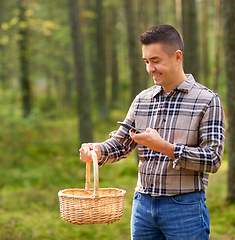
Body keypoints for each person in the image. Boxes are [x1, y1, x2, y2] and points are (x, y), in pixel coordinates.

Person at [79, 24, 225, 240]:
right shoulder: (142, 100)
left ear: (177, 57)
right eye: (146, 62)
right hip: (142, 207)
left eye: (156, 61)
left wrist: (166, 148)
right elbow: (120, 144)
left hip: (185, 208)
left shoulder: (207, 100)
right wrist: (97, 150)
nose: (150, 69)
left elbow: (213, 159)